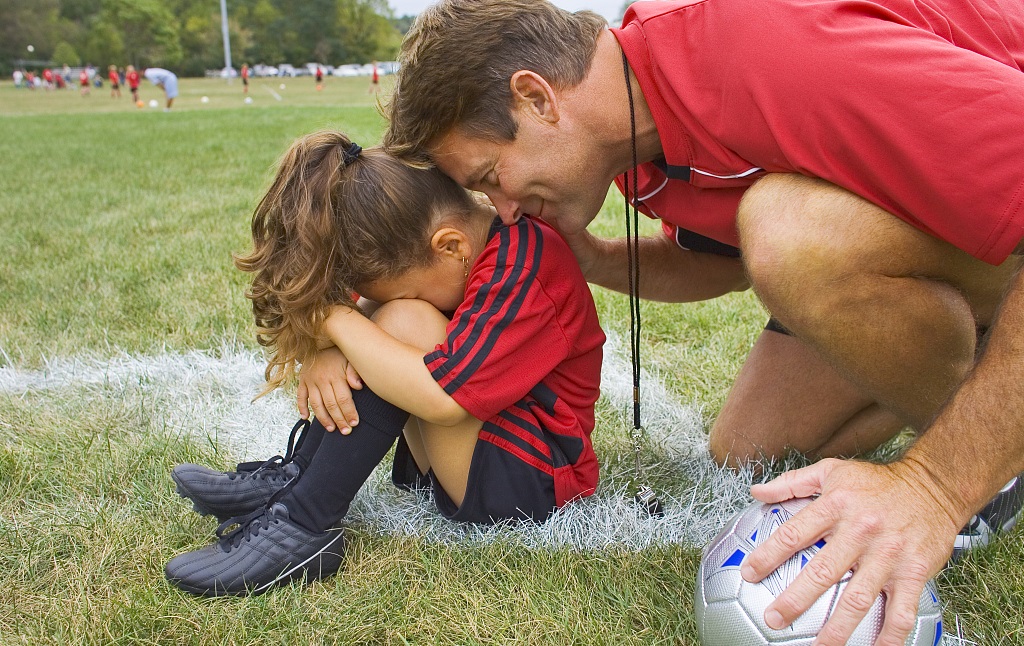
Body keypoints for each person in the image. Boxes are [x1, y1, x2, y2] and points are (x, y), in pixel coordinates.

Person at [382, 0, 1024, 643]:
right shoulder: (632, 138)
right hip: (950, 232)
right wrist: (596, 258)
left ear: (537, 98)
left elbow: (776, 246)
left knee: (788, 230)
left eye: (492, 176)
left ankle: (988, 454)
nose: (505, 210)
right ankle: (991, 389)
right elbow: (723, 261)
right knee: (747, 448)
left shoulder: (770, 50)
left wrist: (935, 486)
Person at [164, 130, 604, 597]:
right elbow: (367, 313)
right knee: (388, 318)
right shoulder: (454, 250)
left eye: (409, 285)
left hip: (535, 480)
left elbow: (445, 400)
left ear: (452, 246)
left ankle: (306, 522)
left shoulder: (524, 263)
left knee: (404, 319)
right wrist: (326, 348)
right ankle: (297, 478)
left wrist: (336, 322)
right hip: (486, 453)